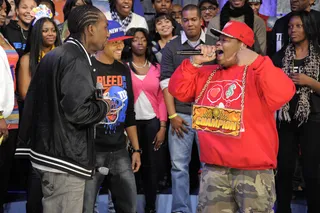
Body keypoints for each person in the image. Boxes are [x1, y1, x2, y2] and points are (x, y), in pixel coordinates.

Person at [168, 20, 296, 213]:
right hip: (214, 169)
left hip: (253, 171)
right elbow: (177, 90)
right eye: (218, 39)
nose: (218, 44)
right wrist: (194, 62)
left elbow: (284, 93)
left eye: (225, 40)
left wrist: (258, 62)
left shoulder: (258, 73)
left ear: (243, 46)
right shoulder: (206, 73)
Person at [17, 5, 110, 213]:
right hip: (63, 161)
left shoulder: (56, 54)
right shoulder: (75, 59)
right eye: (105, 27)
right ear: (90, 29)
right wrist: (104, 105)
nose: (108, 33)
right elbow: (78, 112)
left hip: (49, 154)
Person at [160, 4, 216, 213]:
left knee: (210, 167)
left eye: (194, 19)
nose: (190, 23)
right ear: (180, 22)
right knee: (179, 167)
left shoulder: (215, 44)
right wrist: (172, 114)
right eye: (186, 20)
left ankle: (208, 208)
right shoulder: (171, 47)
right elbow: (165, 83)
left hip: (209, 115)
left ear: (201, 20)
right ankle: (180, 210)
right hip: (181, 114)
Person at [83, 20, 141, 213]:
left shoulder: (123, 69)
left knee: (129, 207)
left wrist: (136, 149)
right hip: (92, 151)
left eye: (122, 42)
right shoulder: (87, 67)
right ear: (102, 41)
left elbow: (129, 113)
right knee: (85, 208)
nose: (120, 46)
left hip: (119, 150)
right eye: (115, 42)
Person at [272, 11, 320, 213]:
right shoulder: (281, 55)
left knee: (312, 172)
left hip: (313, 120)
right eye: (291, 26)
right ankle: (282, 209)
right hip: (286, 120)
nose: (293, 30)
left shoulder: (319, 54)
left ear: (308, 27)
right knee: (283, 170)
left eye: (299, 26)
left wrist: (310, 82)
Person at [15, 5, 61, 212]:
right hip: (37, 124)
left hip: (61, 124)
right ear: (36, 33)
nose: (50, 34)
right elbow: (25, 93)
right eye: (45, 30)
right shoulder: (27, 60)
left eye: (53, 30)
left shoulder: (63, 56)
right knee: (37, 173)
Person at [123, 27, 167, 213]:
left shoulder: (157, 68)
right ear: (129, 44)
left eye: (143, 39)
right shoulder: (122, 67)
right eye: (135, 39)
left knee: (151, 168)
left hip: (152, 123)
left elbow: (163, 98)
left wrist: (163, 126)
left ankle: (150, 208)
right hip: (129, 125)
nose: (139, 42)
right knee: (129, 169)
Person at [0, 1, 18, 212]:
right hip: (2, 117)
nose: (3, 13)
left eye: (4, 9)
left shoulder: (3, 37)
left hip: (11, 114)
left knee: (4, 171)